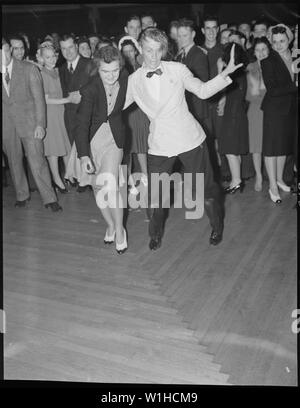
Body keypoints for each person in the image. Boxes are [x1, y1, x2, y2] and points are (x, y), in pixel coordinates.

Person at [124, 27, 243, 250]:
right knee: (156, 197)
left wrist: (225, 73)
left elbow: (204, 90)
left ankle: (217, 226)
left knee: (206, 190)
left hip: (189, 139)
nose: (153, 56)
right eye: (148, 50)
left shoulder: (177, 69)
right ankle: (155, 234)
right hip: (159, 145)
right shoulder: (133, 80)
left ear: (163, 50)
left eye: (158, 51)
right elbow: (116, 107)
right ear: (140, 48)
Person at [75, 46, 129, 254]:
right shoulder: (89, 89)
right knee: (98, 188)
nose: (111, 76)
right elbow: (81, 124)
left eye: (115, 70)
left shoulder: (125, 79)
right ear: (98, 69)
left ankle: (120, 230)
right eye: (106, 72)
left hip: (114, 139)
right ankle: (110, 225)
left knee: (110, 184)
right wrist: (83, 155)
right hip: (92, 141)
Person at [2, 38, 61, 211]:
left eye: (6, 50)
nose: (4, 55)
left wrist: (40, 124)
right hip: (7, 125)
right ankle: (22, 194)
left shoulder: (28, 68)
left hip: (30, 123)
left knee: (37, 161)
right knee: (14, 161)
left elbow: (39, 99)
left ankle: (49, 198)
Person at [261, 24, 297, 203]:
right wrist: (295, 85)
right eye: (274, 42)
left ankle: (280, 179)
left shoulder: (295, 57)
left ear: (289, 40)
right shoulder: (267, 61)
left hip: (290, 109)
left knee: (283, 147)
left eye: (282, 41)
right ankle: (272, 186)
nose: (278, 45)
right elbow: (273, 90)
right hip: (274, 109)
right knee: (271, 148)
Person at [59, 33, 95, 192]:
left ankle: (94, 182)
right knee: (78, 149)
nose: (68, 52)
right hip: (70, 116)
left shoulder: (90, 64)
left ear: (76, 47)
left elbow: (97, 87)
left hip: (88, 116)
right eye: (64, 48)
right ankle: (84, 180)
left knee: (91, 149)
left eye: (70, 47)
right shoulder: (61, 69)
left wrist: (83, 93)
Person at [38, 42, 72, 193]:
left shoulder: (59, 71)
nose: (51, 60)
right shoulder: (42, 74)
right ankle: (57, 179)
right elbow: (45, 99)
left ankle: (70, 175)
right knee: (53, 151)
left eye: (53, 56)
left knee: (65, 147)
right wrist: (67, 100)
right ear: (42, 59)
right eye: (47, 57)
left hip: (62, 113)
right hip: (51, 115)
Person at [119, 37, 149, 193]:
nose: (128, 54)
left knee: (142, 144)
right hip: (127, 111)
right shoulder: (121, 70)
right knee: (128, 147)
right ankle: (129, 180)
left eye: (131, 50)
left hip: (141, 110)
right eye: (125, 52)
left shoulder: (143, 66)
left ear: (136, 51)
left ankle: (145, 174)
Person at [218, 43, 250, 194]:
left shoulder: (230, 72)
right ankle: (237, 180)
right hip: (239, 113)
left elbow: (220, 88)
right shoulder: (241, 71)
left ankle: (236, 181)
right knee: (234, 150)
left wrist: (220, 69)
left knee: (230, 150)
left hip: (233, 113)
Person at [246, 37, 270, 191]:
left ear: (269, 50)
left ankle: (272, 177)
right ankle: (259, 176)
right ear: (254, 52)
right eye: (257, 50)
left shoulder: (275, 66)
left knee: (271, 145)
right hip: (255, 110)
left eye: (264, 49)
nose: (261, 53)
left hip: (272, 110)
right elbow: (252, 94)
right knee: (256, 146)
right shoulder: (250, 67)